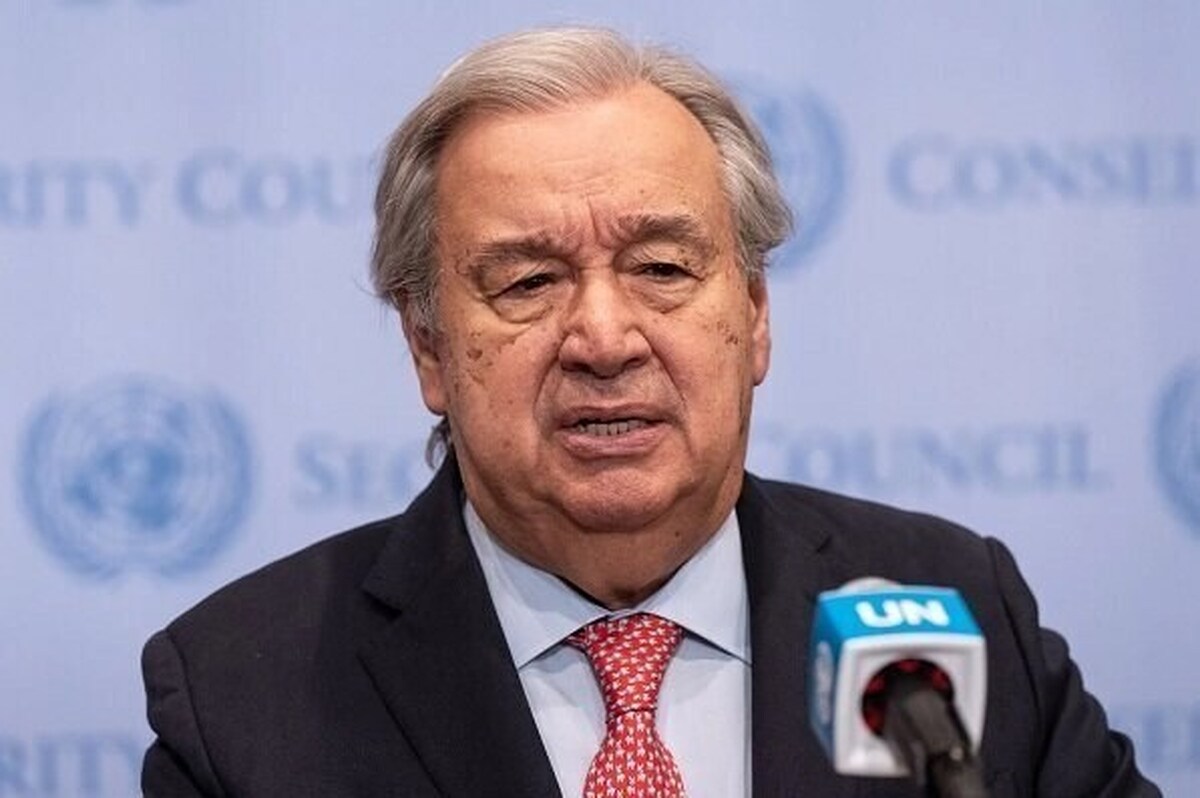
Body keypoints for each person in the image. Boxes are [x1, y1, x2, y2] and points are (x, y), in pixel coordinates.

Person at [141, 27, 1160, 797]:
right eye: (529, 281)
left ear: (753, 316)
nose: (604, 338)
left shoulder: (955, 609)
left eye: (663, 268)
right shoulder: (243, 695)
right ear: (429, 348)